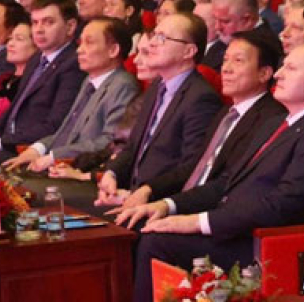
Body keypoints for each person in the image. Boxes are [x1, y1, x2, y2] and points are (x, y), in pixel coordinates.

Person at [122, 43, 304, 302]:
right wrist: (167, 205)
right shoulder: (277, 122)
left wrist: (199, 222)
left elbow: (285, 204)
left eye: (290, 68)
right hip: (236, 227)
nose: (278, 74)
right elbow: (226, 183)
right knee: (141, 223)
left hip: (264, 244)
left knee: (157, 242)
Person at [111, 33, 286, 210]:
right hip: (183, 202)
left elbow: (229, 181)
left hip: (212, 212)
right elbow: (194, 166)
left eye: (238, 61)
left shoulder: (271, 119)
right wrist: (148, 190)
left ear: (264, 73)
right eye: (225, 60)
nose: (226, 69)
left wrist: (169, 205)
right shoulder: (226, 113)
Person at [94, 13, 222, 200]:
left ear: (188, 51)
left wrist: (148, 191)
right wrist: (111, 174)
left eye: (162, 38)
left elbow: (191, 167)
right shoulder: (156, 87)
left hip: (160, 203)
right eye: (154, 35)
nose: (152, 43)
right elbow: (133, 146)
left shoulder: (201, 98)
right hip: (130, 195)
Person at [0, 0, 85, 166]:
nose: (39, 29)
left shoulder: (73, 64)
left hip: (27, 150)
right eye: (35, 22)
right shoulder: (36, 58)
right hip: (6, 142)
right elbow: (14, 107)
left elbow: (56, 124)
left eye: (48, 22)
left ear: (70, 26)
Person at [2, 17, 139, 172]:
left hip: (86, 171)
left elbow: (110, 141)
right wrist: (38, 149)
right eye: (80, 43)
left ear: (113, 50)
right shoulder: (89, 81)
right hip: (62, 166)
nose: (79, 50)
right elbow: (66, 132)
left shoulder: (122, 85)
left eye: (89, 43)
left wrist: (53, 156)